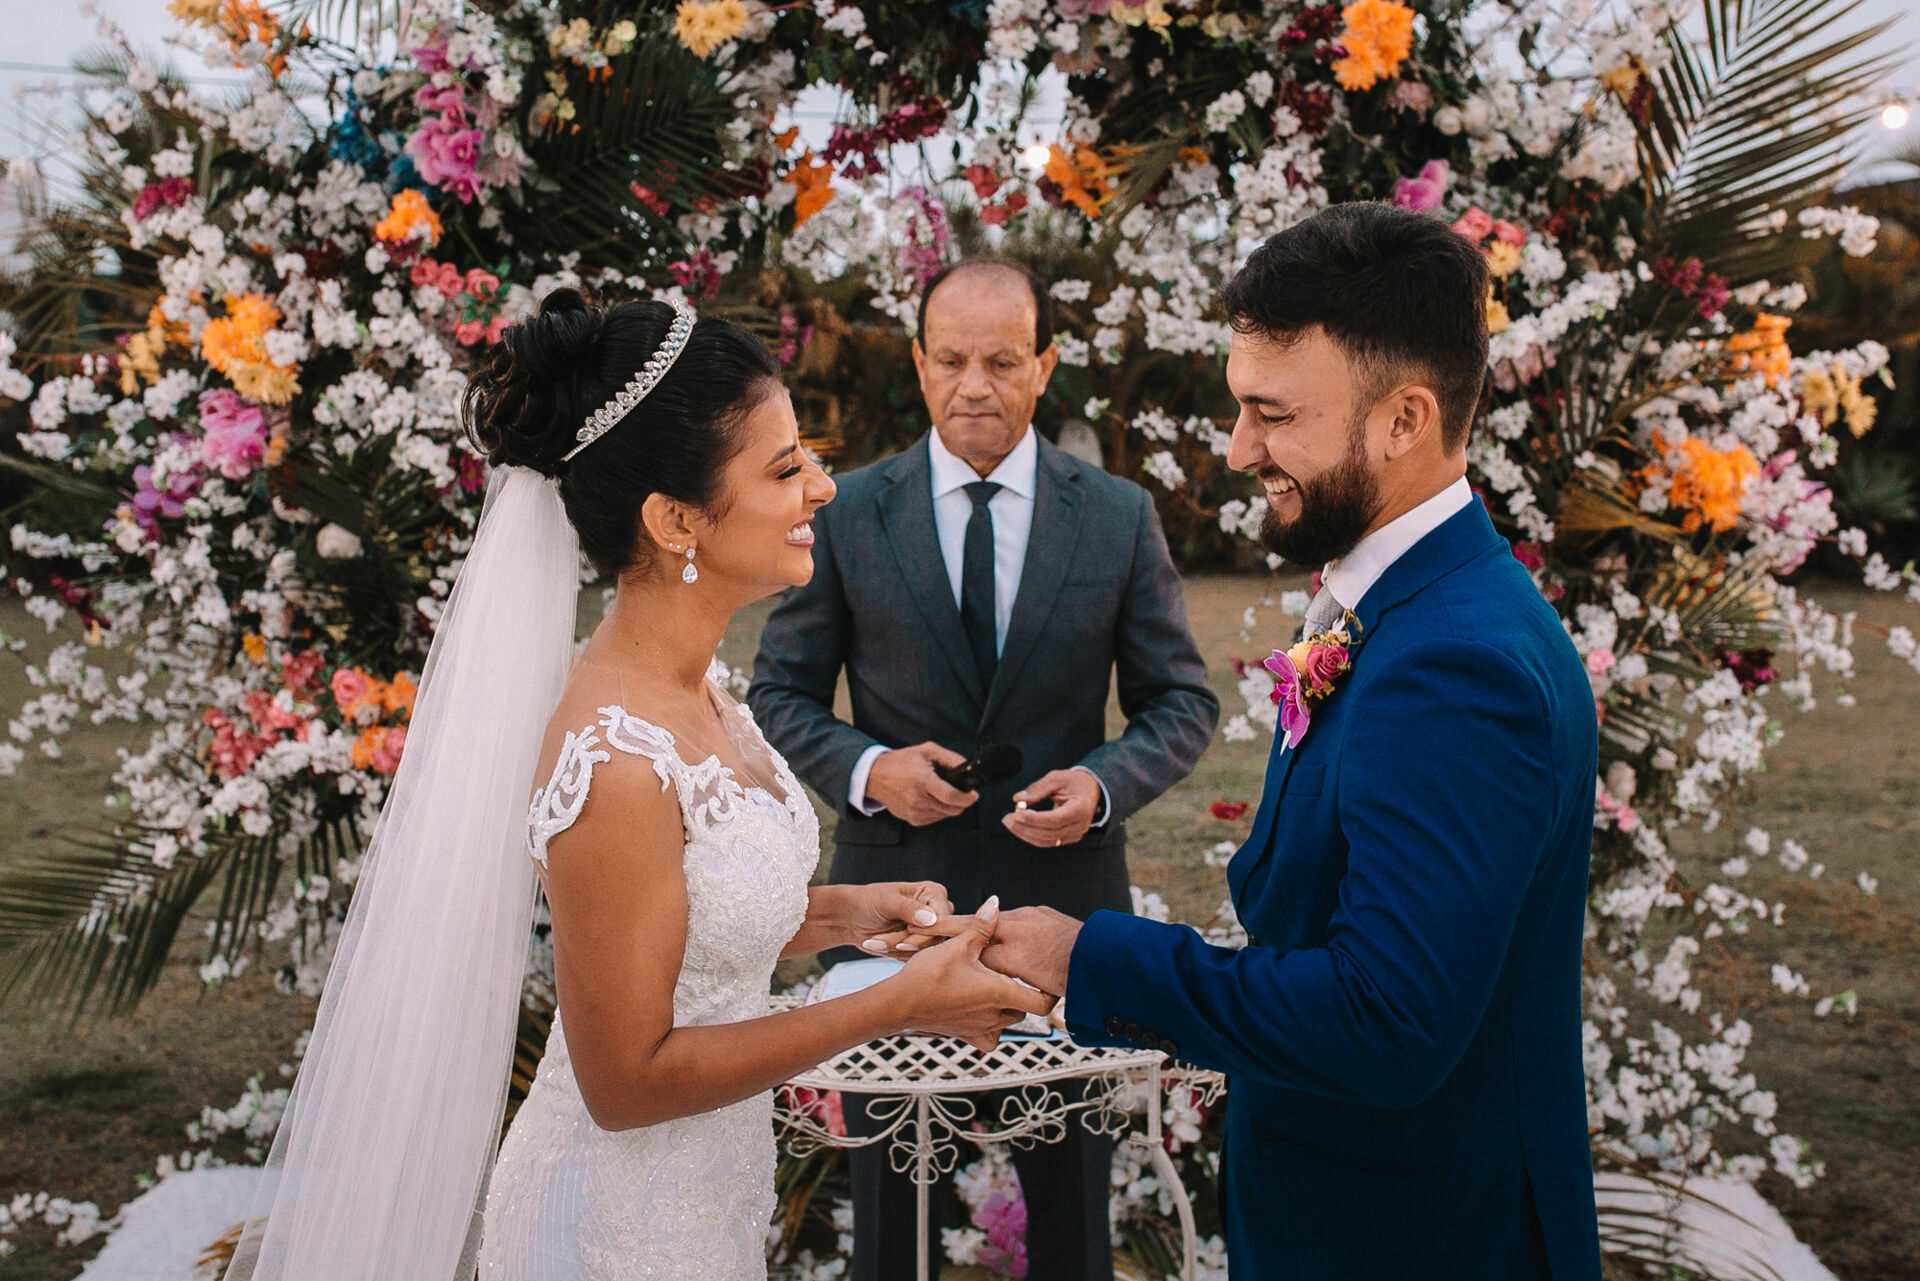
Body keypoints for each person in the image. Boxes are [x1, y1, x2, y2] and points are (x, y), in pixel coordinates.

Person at [221, 290, 1052, 1281]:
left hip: (699, 1204)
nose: (823, 489)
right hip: (605, 1227)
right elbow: (626, 1078)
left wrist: (846, 916)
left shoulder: (705, 693)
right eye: (786, 468)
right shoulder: (613, 752)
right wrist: (899, 1003)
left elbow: (677, 922)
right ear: (674, 520)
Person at [942, 204, 1606, 1280]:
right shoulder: (1396, 605)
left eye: (1271, 414)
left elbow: (1386, 1019)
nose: (1241, 448)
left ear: (1405, 419)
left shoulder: (1457, 662)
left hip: (1411, 1241)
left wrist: (1089, 957)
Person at [748, 261, 1219, 1281]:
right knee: (894, 1232)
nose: (975, 385)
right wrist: (870, 765)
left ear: (1044, 365)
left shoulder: (1116, 516)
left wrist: (1100, 787)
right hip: (892, 928)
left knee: (1070, 1229)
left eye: (1003, 361)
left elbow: (1183, 702)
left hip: (1063, 925)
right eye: (952, 360)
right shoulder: (845, 509)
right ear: (918, 365)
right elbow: (776, 695)